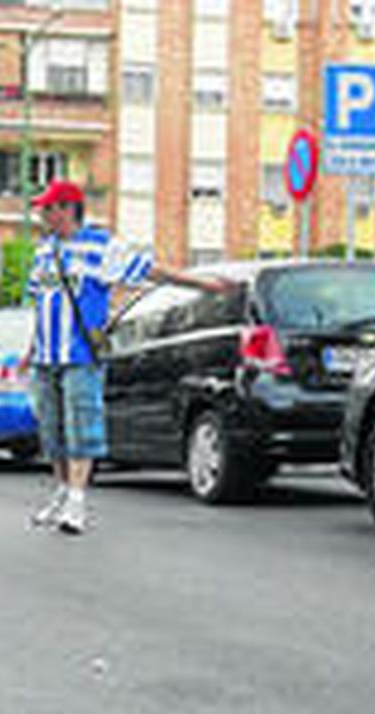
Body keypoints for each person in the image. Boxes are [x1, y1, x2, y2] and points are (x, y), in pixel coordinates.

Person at [24, 180, 231, 535]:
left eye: (48, 208)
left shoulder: (101, 246)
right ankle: (61, 492)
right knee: (51, 431)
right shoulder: (45, 251)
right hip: (45, 357)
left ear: (66, 210)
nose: (42, 214)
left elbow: (151, 269)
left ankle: (77, 502)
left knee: (81, 427)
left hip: (80, 355)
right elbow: (40, 303)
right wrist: (29, 350)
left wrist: (202, 284)